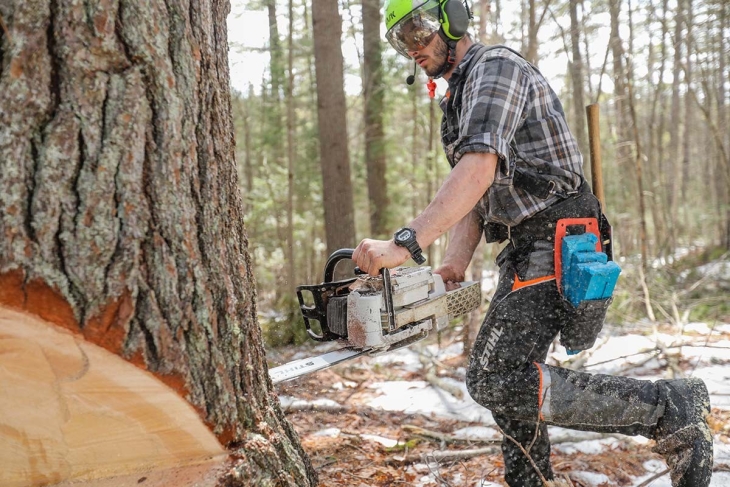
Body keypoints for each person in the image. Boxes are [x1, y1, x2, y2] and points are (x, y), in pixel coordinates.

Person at [352, 0, 714, 485]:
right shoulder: (457, 97)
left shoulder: (495, 68)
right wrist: (454, 264)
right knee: (513, 378)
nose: (412, 48)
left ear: (451, 17)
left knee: (493, 376)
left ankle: (667, 408)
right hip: (527, 240)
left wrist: (405, 244)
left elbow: (478, 166)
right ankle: (530, 479)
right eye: (400, 41)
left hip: (558, 233)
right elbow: (477, 191)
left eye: (417, 31)